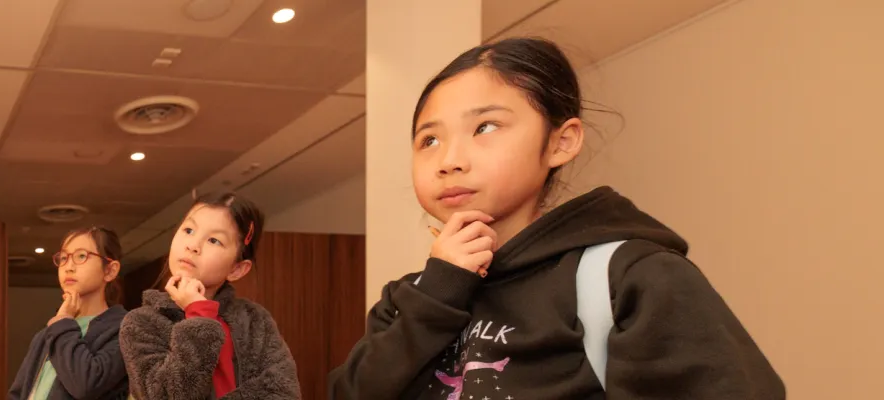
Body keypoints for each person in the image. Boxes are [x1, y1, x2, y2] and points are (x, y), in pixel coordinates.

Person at [327, 37, 784, 399]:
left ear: (561, 142)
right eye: (429, 140)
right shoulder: (409, 297)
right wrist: (439, 292)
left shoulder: (631, 276)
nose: (449, 160)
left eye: (485, 127)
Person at [119, 191, 301, 399]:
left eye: (214, 240)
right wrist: (199, 316)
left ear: (237, 269)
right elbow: (169, 395)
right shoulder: (141, 322)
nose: (193, 245)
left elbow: (283, 392)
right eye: (188, 230)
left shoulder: (255, 320)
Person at [9, 226, 131, 400]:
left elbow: (85, 385)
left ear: (110, 270)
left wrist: (62, 323)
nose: (69, 267)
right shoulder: (47, 334)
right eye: (64, 258)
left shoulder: (126, 329)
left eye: (81, 256)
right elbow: (18, 393)